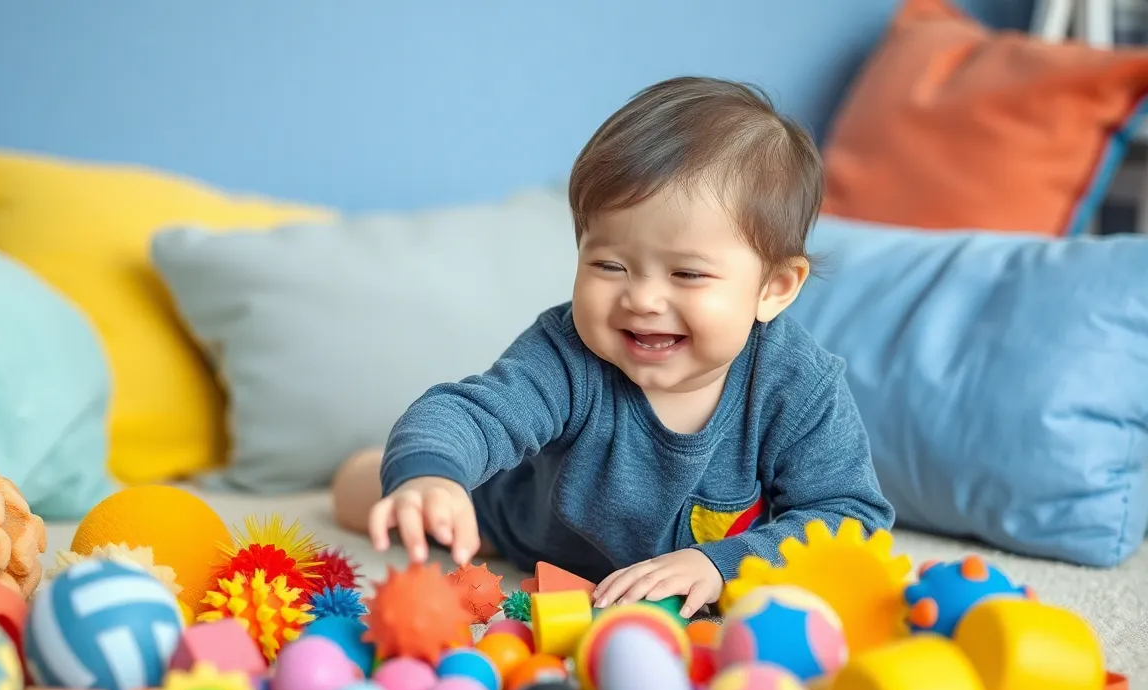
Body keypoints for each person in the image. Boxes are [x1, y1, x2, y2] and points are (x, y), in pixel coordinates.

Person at [331, 76, 894, 619]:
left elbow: (850, 518)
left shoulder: (796, 384)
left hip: (678, 578)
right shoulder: (567, 355)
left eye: (687, 274)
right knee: (384, 498)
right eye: (609, 265)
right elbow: (475, 413)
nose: (642, 299)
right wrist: (430, 476)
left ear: (773, 288)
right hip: (523, 525)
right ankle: (377, 467)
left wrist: (718, 564)